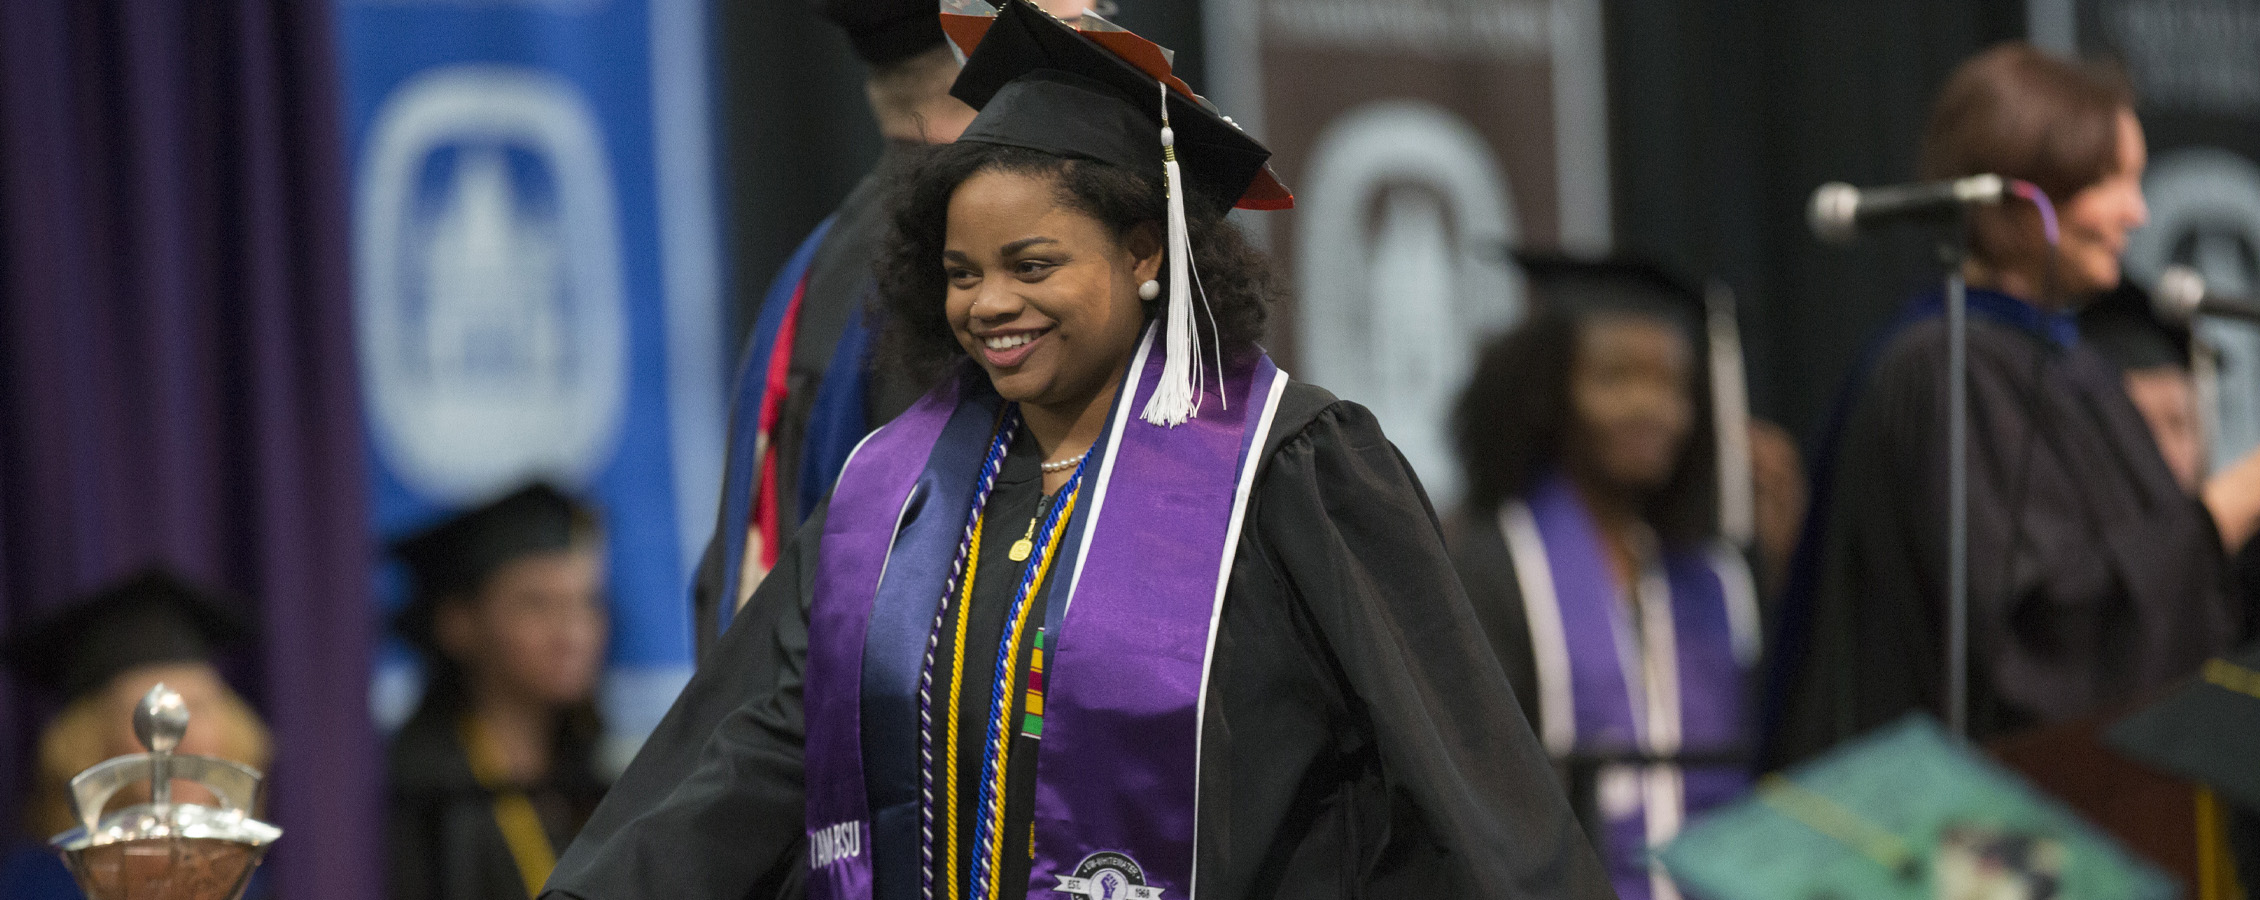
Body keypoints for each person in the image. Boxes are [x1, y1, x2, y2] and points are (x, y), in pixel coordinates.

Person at [544, 3, 1611, 899]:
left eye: (1033, 263)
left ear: (1144, 249)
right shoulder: (893, 500)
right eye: (962, 273)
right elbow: (751, 754)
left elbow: (1463, 791)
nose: (991, 304)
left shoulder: (1290, 472)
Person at [1764, 43, 2260, 768]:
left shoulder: (2064, 363)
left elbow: (2177, 622)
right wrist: (2234, 502)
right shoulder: (1947, 366)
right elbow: (2042, 640)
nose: (2138, 211)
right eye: (2109, 181)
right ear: (2019, 193)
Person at [698, 0, 1100, 656]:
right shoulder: (966, 292)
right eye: (1077, 7)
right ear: (984, 32)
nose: (1100, 12)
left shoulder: (822, 263)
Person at [1447, 254, 1761, 900]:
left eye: (1671, 384)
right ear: (1551, 392)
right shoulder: (1499, 567)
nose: (1650, 407)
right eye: (1616, 377)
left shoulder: (1719, 583)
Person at [388, 482, 612, 900]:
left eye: (586, 602)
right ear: (458, 623)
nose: (572, 633)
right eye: (536, 604)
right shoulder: (414, 799)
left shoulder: (595, 781)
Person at [0, 568, 275, 900]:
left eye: (199, 707)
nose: (182, 736)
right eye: (144, 717)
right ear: (89, 743)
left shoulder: (239, 877)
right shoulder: (37, 886)